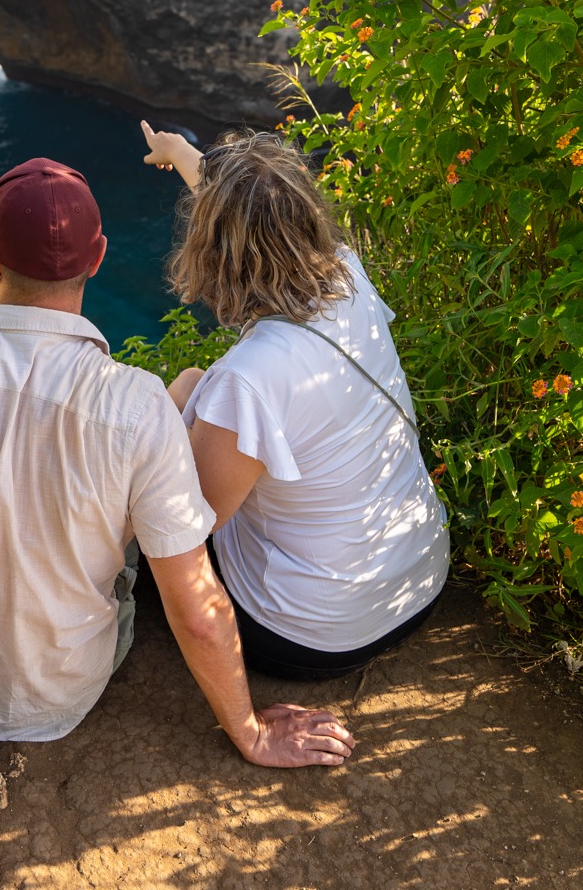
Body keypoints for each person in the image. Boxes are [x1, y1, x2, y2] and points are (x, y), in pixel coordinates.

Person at [0, 156, 355, 765]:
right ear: (97, 257)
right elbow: (196, 606)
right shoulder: (136, 404)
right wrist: (250, 732)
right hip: (60, 698)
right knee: (125, 513)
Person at [140, 121, 450, 680]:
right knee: (194, 387)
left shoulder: (251, 377)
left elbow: (190, 522)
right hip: (417, 581)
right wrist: (184, 155)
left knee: (179, 406)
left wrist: (162, 417)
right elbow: (257, 212)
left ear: (213, 250)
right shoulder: (347, 276)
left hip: (314, 634)